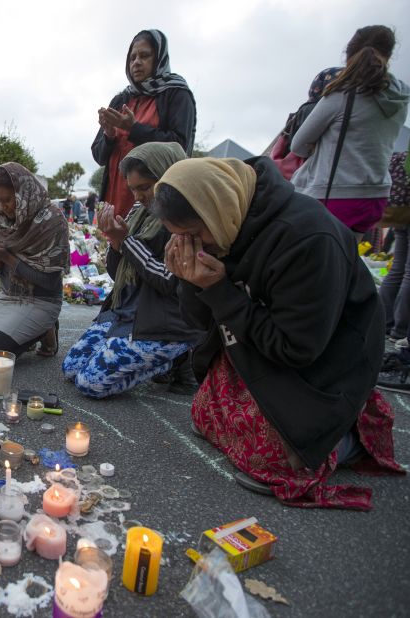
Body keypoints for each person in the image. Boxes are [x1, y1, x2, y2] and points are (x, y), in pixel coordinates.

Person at [151, 156, 404, 509]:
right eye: (179, 236)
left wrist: (220, 289)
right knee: (204, 418)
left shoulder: (308, 237)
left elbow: (296, 348)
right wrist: (192, 282)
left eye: (194, 235)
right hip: (255, 347)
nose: (191, 246)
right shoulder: (225, 229)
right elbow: (197, 321)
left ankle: (348, 437)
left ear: (219, 209)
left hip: (322, 368)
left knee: (268, 459)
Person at [63, 142, 201, 398]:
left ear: (168, 178)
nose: (137, 196)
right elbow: (121, 276)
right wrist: (116, 244)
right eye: (133, 189)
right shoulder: (140, 211)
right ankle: (154, 359)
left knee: (90, 383)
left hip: (164, 319)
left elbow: (170, 282)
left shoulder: (188, 219)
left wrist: (127, 242)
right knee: (71, 367)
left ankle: (180, 356)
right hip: (128, 311)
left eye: (145, 187)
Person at [291, 25, 409, 236]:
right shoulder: (400, 98)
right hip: (375, 197)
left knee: (315, 264)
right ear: (389, 55)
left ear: (349, 54)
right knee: (344, 260)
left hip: (334, 196)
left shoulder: (342, 94)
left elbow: (298, 145)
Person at [0, 162, 70, 360]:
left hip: (42, 301)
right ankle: (32, 331)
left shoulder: (51, 221)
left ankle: (45, 329)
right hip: (9, 298)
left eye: (7, 200)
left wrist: (7, 257)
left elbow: (50, 283)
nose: (2, 207)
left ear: (23, 194)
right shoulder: (3, 223)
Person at [91, 29, 196, 219]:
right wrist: (109, 135)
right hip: (114, 202)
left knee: (142, 247)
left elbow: (179, 147)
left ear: (159, 58)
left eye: (145, 55)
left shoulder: (176, 94)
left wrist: (133, 129)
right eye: (132, 58)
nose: (136, 62)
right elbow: (99, 157)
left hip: (153, 208)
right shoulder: (120, 99)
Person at [377, 149, 410, 348]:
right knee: (407, 272)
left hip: (401, 209)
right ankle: (400, 330)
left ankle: (382, 322)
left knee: (398, 268)